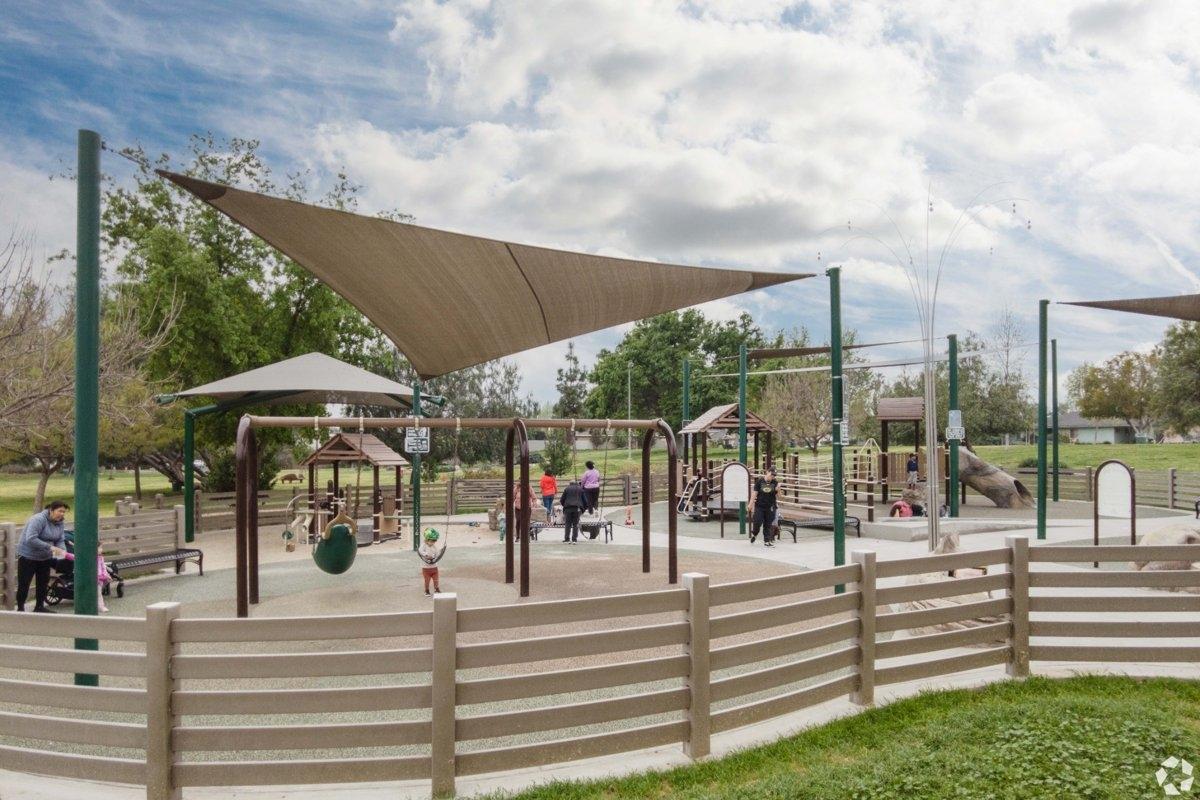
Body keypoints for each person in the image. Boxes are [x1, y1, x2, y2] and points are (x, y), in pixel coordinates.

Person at [16, 501, 69, 613]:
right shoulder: (38, 520)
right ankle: (20, 609)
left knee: (43, 582)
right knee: (24, 583)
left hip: (45, 557)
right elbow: (31, 538)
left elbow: (59, 539)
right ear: (51, 510)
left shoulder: (60, 522)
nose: (62, 514)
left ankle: (39, 607)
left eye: (64, 512)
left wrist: (61, 550)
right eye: (60, 511)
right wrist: (50, 548)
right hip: (28, 556)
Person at [749, 468, 779, 547]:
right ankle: (754, 534)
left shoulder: (775, 483)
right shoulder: (759, 481)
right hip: (760, 506)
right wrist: (750, 504)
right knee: (757, 522)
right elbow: (754, 493)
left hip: (770, 506)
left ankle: (767, 541)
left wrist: (778, 489)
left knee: (768, 524)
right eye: (771, 474)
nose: (772, 477)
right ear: (767, 472)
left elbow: (779, 496)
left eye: (774, 475)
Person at [417, 528, 446, 596]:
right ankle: (426, 590)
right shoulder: (423, 546)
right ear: (427, 540)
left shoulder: (434, 546)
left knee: (436, 579)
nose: (432, 543)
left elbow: (437, 553)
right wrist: (426, 555)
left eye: (434, 541)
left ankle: (436, 589)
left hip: (434, 567)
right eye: (431, 541)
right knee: (427, 581)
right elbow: (420, 551)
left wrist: (439, 552)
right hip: (426, 568)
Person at [560, 479, 587, 544]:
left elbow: (562, 500)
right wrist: (583, 509)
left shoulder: (566, 489)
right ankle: (574, 539)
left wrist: (565, 506)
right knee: (575, 524)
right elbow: (585, 501)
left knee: (568, 524)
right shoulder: (580, 489)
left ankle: (567, 539)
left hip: (568, 508)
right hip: (577, 508)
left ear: (570, 484)